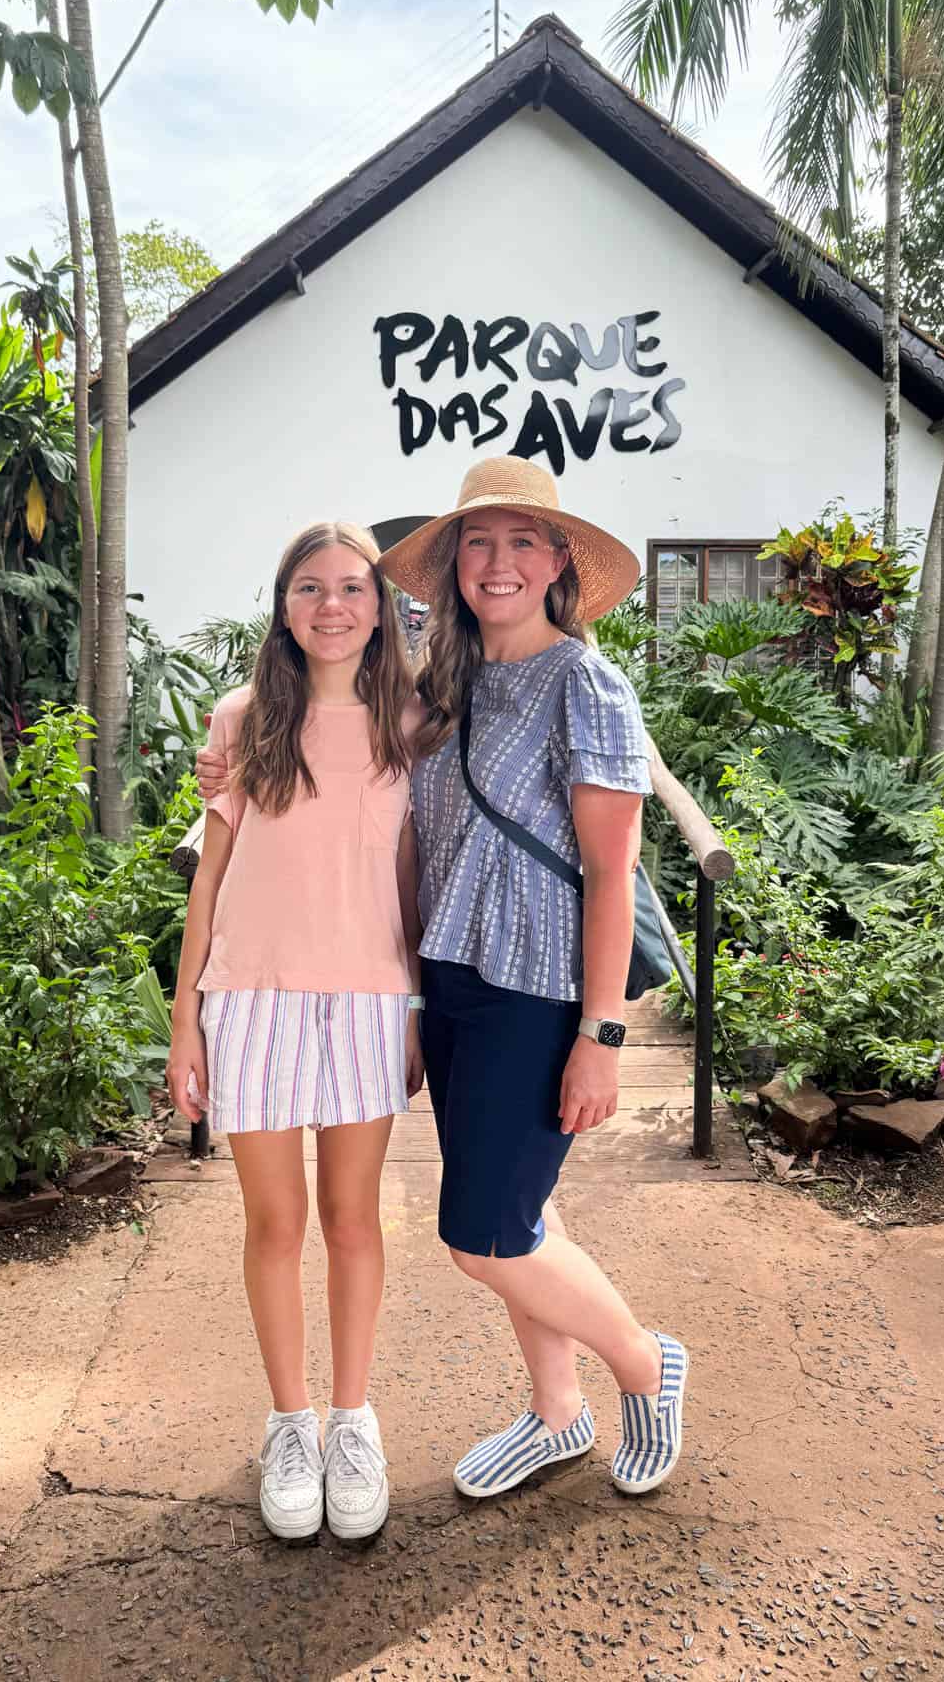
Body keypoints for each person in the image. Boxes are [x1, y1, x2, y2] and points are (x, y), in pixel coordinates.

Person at [378, 455, 688, 1499]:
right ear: (454, 562)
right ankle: (557, 1414)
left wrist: (603, 1035)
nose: (497, 562)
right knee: (521, 1215)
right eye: (478, 541)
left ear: (559, 562)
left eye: (521, 541)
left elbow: (612, 868)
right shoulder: (442, 682)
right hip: (455, 981)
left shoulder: (585, 682)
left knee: (483, 1238)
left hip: (540, 990)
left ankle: (647, 1364)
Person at [168, 521, 424, 1543]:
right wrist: (186, 1018)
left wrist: (414, 1005)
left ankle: (353, 1420)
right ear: (284, 605)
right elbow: (212, 881)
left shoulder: (413, 720)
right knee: (274, 1227)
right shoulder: (242, 719)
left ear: (382, 607)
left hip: (367, 1000)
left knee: (355, 1222)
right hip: (253, 998)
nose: (332, 606)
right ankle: (291, 1423)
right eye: (309, 588)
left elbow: (410, 874)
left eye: (352, 588)